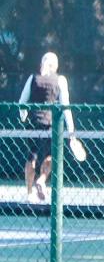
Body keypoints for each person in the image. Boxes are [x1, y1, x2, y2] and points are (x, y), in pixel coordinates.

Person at [18, 52, 75, 203]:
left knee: (32, 157)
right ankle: (42, 180)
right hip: (51, 125)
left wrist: (24, 117)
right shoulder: (60, 80)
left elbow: (22, 102)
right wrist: (71, 130)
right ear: (55, 65)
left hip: (32, 124)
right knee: (52, 156)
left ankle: (30, 193)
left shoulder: (32, 79)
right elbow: (65, 106)